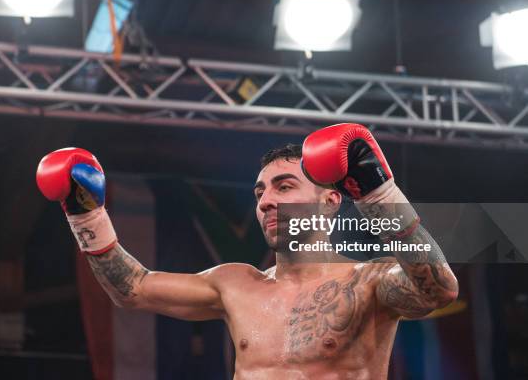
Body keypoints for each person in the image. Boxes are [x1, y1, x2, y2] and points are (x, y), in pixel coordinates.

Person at [36, 123, 458, 379]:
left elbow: (436, 290)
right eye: (260, 191)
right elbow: (132, 289)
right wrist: (85, 216)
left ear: (330, 201)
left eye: (284, 186)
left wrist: (379, 192)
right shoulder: (234, 284)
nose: (266, 201)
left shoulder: (368, 282)